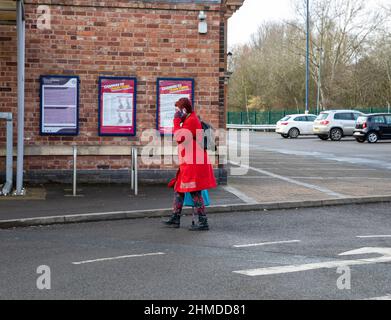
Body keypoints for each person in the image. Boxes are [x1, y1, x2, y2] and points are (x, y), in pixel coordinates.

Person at [163, 97, 217, 231]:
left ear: (184, 110)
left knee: (195, 192)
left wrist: (176, 121)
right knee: (179, 189)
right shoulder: (188, 119)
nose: (176, 113)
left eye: (177, 110)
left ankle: (203, 222)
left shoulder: (191, 121)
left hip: (194, 164)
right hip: (188, 163)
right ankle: (175, 217)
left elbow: (179, 137)